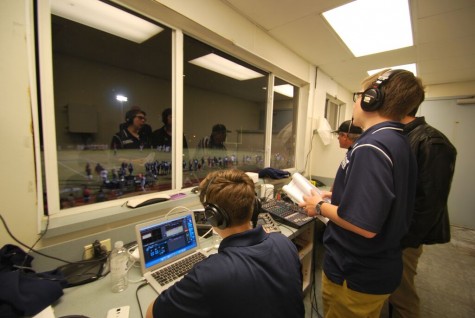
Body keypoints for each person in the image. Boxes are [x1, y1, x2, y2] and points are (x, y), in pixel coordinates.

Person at [300, 69, 423, 317]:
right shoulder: (397, 141)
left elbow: (363, 225)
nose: (356, 102)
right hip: (376, 268)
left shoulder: (371, 147)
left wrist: (318, 206)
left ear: (371, 98)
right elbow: (381, 205)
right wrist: (338, 199)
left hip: (355, 274)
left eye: (359, 95)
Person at [146, 169, 305, 318]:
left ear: (213, 216)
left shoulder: (207, 275)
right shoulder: (284, 243)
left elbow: (151, 314)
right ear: (254, 207)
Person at [388, 107, 457, 317]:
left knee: (402, 293)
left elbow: (429, 203)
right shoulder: (400, 136)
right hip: (392, 233)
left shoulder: (431, 141)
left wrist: (403, 240)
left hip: (404, 237)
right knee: (390, 287)